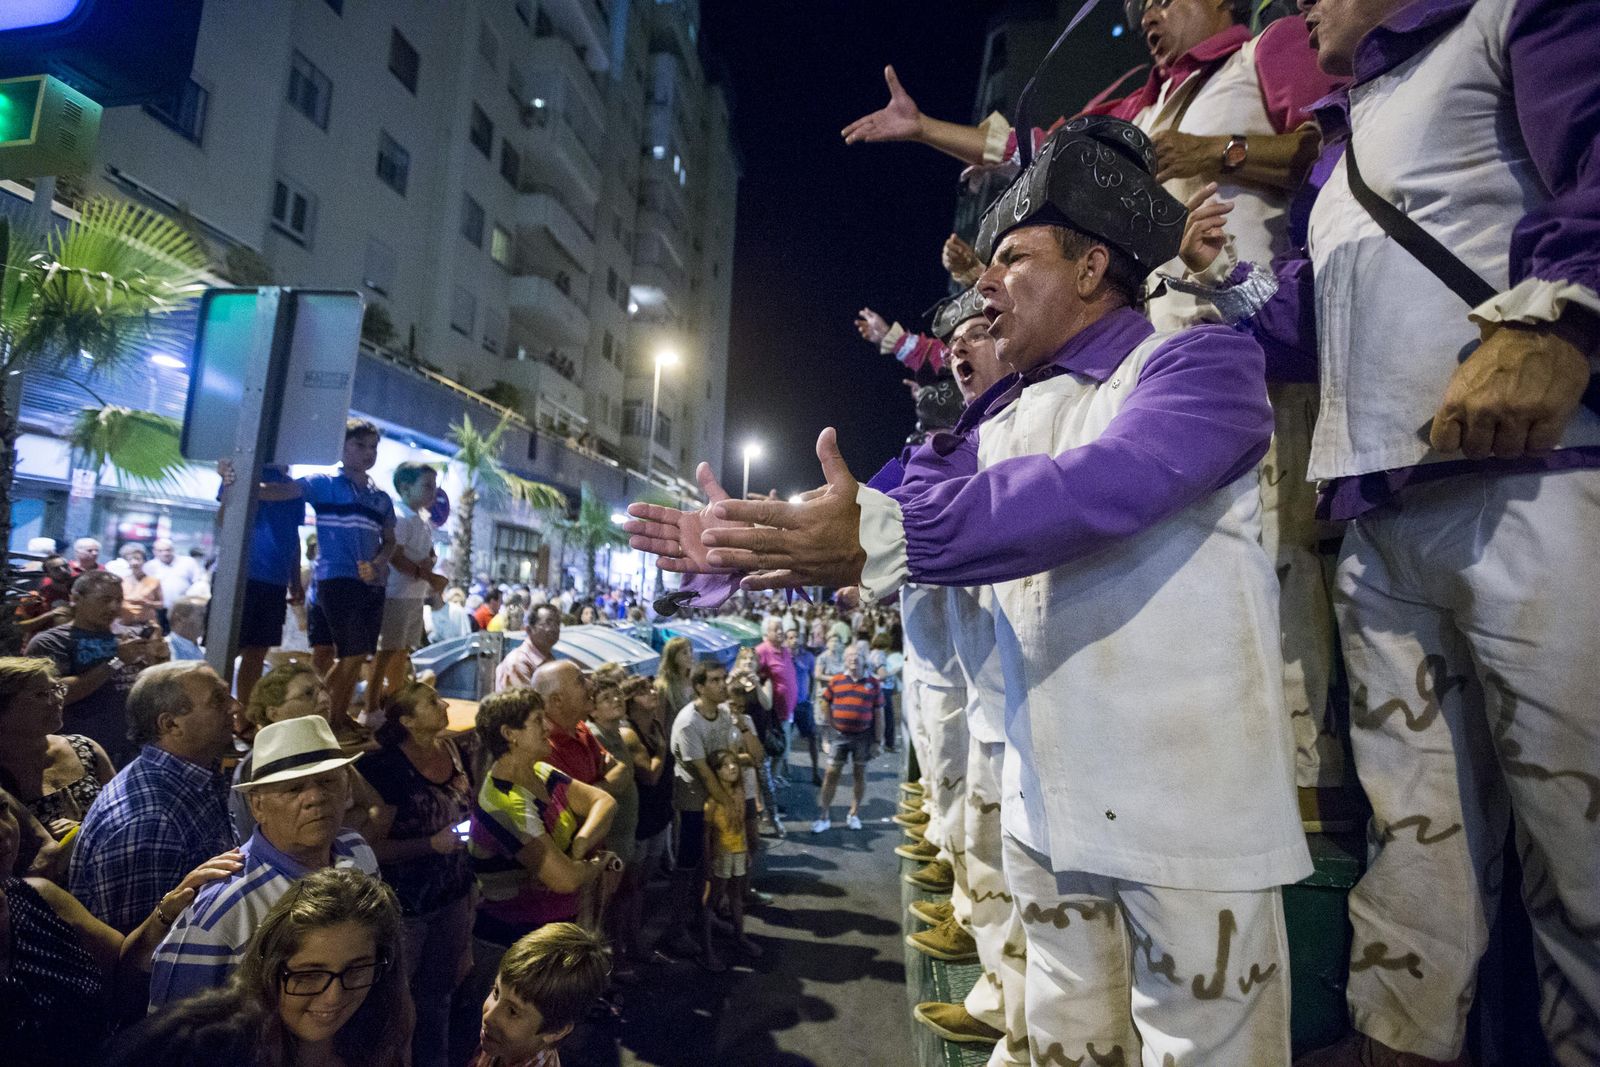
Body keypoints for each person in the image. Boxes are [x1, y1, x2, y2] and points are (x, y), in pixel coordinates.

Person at [633, 118, 1312, 1064]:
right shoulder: (1000, 419)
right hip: (1048, 809)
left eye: (1014, 258)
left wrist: (882, 531)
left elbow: (1101, 486)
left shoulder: (1196, 361)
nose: (983, 286)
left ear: (1092, 267)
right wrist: (742, 548)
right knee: (1061, 1043)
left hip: (1187, 824)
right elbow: (873, 511)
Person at [1183, 0, 1600, 1059]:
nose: (1297, 5)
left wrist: (1565, 313)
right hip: (1379, 518)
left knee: (1585, 854)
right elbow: (1307, 323)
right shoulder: (1350, 125)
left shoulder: (1511, 16)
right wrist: (1213, 281)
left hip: (1533, 495)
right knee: (1413, 848)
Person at [0, 786, 241, 1067]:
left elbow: (121, 968)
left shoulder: (41, 897)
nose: (3, 831)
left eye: (3, 809)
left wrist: (168, 909)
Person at [148, 715, 379, 1008]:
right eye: (294, 789)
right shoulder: (224, 906)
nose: (315, 798)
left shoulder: (359, 852)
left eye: (327, 781)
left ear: (347, 789)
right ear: (257, 805)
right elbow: (176, 1033)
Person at [116, 867, 411, 1067]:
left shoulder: (383, 1029)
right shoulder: (216, 1049)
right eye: (309, 974)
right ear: (271, 966)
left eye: (356, 970)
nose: (333, 997)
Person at [248, 419, 397, 738]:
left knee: (356, 657)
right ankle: (318, 720)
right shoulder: (323, 482)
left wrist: (378, 562)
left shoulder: (381, 498)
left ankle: (335, 718)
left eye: (372, 447)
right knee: (351, 654)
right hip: (336, 579)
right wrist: (240, 476)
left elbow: (390, 540)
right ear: (341, 448)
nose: (367, 453)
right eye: (359, 445)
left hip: (372, 585)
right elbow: (282, 491)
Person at [69, 662, 238, 933]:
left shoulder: (191, 776)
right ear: (170, 724)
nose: (235, 707)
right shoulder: (151, 821)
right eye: (219, 700)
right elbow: (142, 955)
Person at [354, 681, 472, 1067]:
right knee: (396, 1003)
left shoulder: (453, 749)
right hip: (408, 908)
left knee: (438, 996)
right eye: (431, 702)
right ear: (406, 720)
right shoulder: (386, 768)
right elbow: (370, 848)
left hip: (453, 896)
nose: (443, 705)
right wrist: (429, 844)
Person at [467, 688, 614, 954]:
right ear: (509, 734)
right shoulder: (506, 802)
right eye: (537, 720)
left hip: (547, 930)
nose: (547, 726)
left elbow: (604, 802)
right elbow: (565, 879)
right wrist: (597, 864)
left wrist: (579, 846)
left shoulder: (540, 771)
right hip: (515, 941)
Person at [26, 570, 170, 766]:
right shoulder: (52, 641)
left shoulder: (129, 638)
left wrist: (161, 657)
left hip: (130, 753)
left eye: (119, 600)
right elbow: (56, 693)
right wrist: (116, 661)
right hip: (75, 756)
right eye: (105, 599)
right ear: (75, 598)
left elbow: (158, 690)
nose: (114, 607)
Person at [230, 662, 385, 841]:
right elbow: (275, 839)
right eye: (308, 694)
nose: (324, 699)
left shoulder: (328, 754)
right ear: (273, 712)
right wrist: (353, 821)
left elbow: (378, 813)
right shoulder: (259, 767)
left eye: (323, 690)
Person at [664, 662, 740, 968]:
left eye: (724, 679)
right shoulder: (688, 722)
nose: (723, 685)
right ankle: (675, 930)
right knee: (688, 866)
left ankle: (699, 918)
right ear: (699, 687)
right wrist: (730, 804)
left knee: (705, 868)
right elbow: (706, 773)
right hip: (693, 804)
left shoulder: (721, 715)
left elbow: (724, 759)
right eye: (715, 680)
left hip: (713, 801)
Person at [0, 658, 114, 847]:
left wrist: (82, 830)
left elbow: (122, 812)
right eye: (41, 694)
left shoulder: (84, 748)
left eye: (57, 689)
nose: (57, 700)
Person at [470, 922, 611, 1067]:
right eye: (496, 992)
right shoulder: (502, 1044)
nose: (489, 1017)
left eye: (513, 1011)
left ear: (556, 1031)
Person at [371, 462, 447, 718]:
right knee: (386, 652)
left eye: (434, 486)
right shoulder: (400, 516)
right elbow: (395, 555)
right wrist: (424, 573)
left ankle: (394, 702)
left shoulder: (420, 520)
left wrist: (428, 565)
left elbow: (425, 554)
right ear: (405, 487)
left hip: (413, 594)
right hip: (396, 593)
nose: (433, 492)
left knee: (401, 651)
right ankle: (372, 708)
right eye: (427, 485)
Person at [618, 675, 670, 963]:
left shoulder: (656, 725)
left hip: (658, 814)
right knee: (630, 887)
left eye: (651, 688)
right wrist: (662, 747)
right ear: (630, 701)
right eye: (643, 691)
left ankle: (635, 941)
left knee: (643, 885)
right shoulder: (630, 733)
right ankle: (626, 946)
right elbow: (649, 774)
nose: (652, 693)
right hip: (639, 819)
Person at [531, 661, 631, 799]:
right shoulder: (542, 747)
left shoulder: (579, 728)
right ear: (557, 700)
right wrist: (597, 795)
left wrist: (593, 793)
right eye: (580, 681)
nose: (590, 685)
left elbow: (622, 771)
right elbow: (574, 807)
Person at [812, 646, 883, 834]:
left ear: (864, 659)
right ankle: (824, 816)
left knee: (860, 775)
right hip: (839, 736)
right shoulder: (836, 681)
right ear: (844, 660)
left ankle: (854, 814)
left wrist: (878, 741)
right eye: (850, 656)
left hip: (864, 737)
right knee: (830, 774)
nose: (854, 659)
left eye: (858, 655)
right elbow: (824, 702)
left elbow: (879, 713)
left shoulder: (873, 684)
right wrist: (829, 727)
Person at [702, 750, 760, 964]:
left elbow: (742, 826)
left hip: (737, 852)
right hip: (722, 853)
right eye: (725, 766)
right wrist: (708, 863)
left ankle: (740, 936)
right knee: (713, 899)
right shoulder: (712, 802)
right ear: (715, 772)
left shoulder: (739, 793)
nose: (733, 768)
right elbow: (706, 834)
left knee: (736, 895)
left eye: (734, 763)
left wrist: (745, 851)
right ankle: (707, 949)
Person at [495, 604, 562, 692]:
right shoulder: (519, 662)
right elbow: (526, 704)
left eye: (557, 623)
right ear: (529, 630)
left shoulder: (548, 658)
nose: (554, 628)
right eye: (548, 623)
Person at [785, 629, 821, 786]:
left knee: (812, 737)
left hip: (802, 704)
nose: (794, 640)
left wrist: (809, 698)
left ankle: (815, 771)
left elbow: (813, 678)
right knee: (785, 738)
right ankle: (785, 770)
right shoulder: (783, 657)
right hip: (787, 705)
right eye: (790, 638)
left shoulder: (808, 657)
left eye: (796, 637)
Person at [143, 538, 203, 631]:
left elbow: (198, 583)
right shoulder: (149, 567)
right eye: (160, 551)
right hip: (159, 611)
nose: (165, 553)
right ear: (154, 552)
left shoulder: (188, 562)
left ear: (173, 550)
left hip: (183, 609)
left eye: (168, 550)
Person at [16, 555, 76, 638]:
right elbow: (18, 627)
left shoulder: (83, 593)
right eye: (56, 569)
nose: (64, 571)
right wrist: (50, 615)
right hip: (43, 646)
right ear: (47, 574)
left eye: (65, 566)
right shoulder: (35, 597)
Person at [113, 544, 163, 628]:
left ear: (144, 560)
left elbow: (161, 604)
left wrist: (148, 603)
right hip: (124, 624)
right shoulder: (120, 581)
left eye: (138, 559)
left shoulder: (154, 581)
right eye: (130, 559)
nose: (134, 562)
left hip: (147, 625)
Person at [653, 635, 694, 714]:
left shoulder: (696, 680)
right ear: (673, 657)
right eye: (684, 653)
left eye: (690, 651)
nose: (690, 656)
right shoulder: (663, 686)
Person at [164, 597, 207, 662]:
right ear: (179, 619)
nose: (206, 620)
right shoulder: (165, 650)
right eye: (201, 615)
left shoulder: (204, 652)